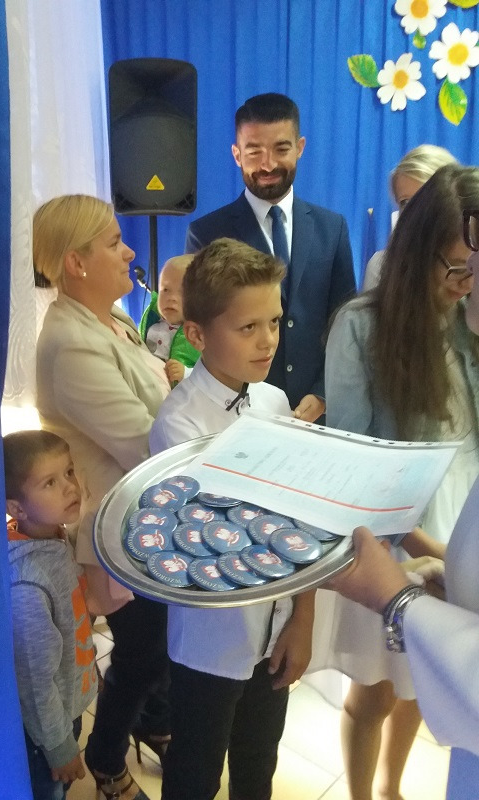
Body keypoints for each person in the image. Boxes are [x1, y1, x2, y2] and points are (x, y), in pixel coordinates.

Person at [320, 166, 479, 800]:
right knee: (377, 689)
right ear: (416, 253)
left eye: (473, 269)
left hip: (460, 522)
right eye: (456, 268)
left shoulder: (468, 323)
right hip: (394, 534)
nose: (464, 284)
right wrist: (414, 543)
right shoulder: (363, 326)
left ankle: (391, 787)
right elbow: (354, 463)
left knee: (431, 683)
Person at [150, 237, 315, 800]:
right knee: (195, 771)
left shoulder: (274, 401)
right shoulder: (179, 427)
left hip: (277, 625)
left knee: (258, 762)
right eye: (248, 327)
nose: (268, 340)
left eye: (274, 321)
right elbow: (218, 544)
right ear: (197, 335)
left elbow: (300, 523)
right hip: (211, 641)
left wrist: (302, 617)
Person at [34, 195, 172, 800]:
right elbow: (146, 442)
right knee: (145, 650)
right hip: (114, 528)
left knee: (157, 644)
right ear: (76, 262)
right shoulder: (72, 344)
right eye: (115, 242)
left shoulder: (109, 318)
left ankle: (152, 723)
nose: (129, 251)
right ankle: (107, 756)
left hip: (146, 514)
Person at [185, 92, 355, 419]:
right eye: (254, 151)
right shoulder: (206, 234)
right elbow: (204, 331)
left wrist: (323, 392)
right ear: (237, 154)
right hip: (240, 414)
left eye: (281, 149)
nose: (268, 164)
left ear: (300, 147)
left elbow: (344, 323)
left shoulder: (332, 228)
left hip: (319, 414)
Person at [4, 430, 98, 800]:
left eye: (69, 472)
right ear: (17, 509)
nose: (70, 487)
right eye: (50, 482)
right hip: (45, 732)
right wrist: (59, 747)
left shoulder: (54, 536)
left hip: (66, 705)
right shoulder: (27, 584)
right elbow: (34, 679)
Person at [362, 145, 458, 291]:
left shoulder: (473, 264)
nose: (415, 212)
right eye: (405, 203)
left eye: (426, 200)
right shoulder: (382, 267)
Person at [139, 254, 199, 384]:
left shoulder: (199, 334)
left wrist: (186, 373)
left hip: (178, 393)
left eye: (182, 292)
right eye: (165, 289)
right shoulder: (150, 322)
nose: (171, 298)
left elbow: (211, 374)